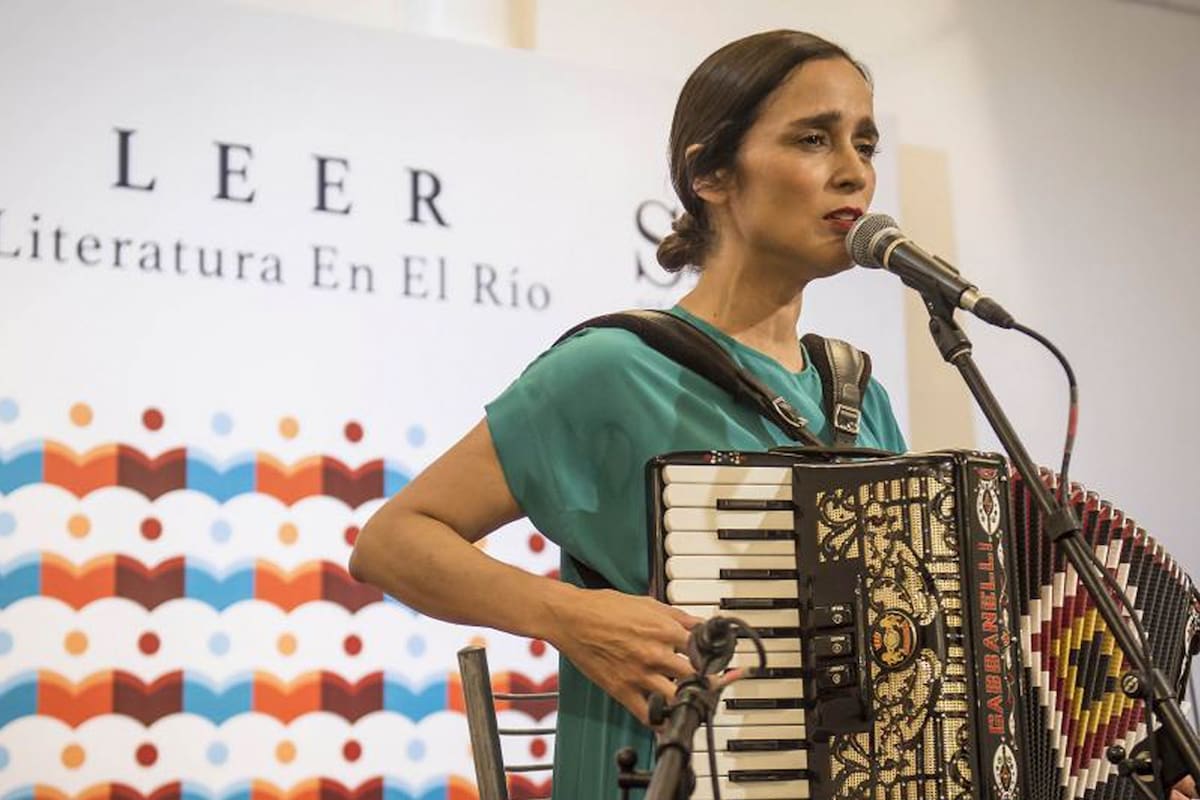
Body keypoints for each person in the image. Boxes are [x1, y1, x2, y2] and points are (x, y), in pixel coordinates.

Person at [349, 29, 907, 800]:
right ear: (710, 172)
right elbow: (391, 544)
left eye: (866, 144)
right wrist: (567, 615)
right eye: (813, 139)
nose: (853, 172)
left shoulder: (858, 395)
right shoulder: (615, 367)